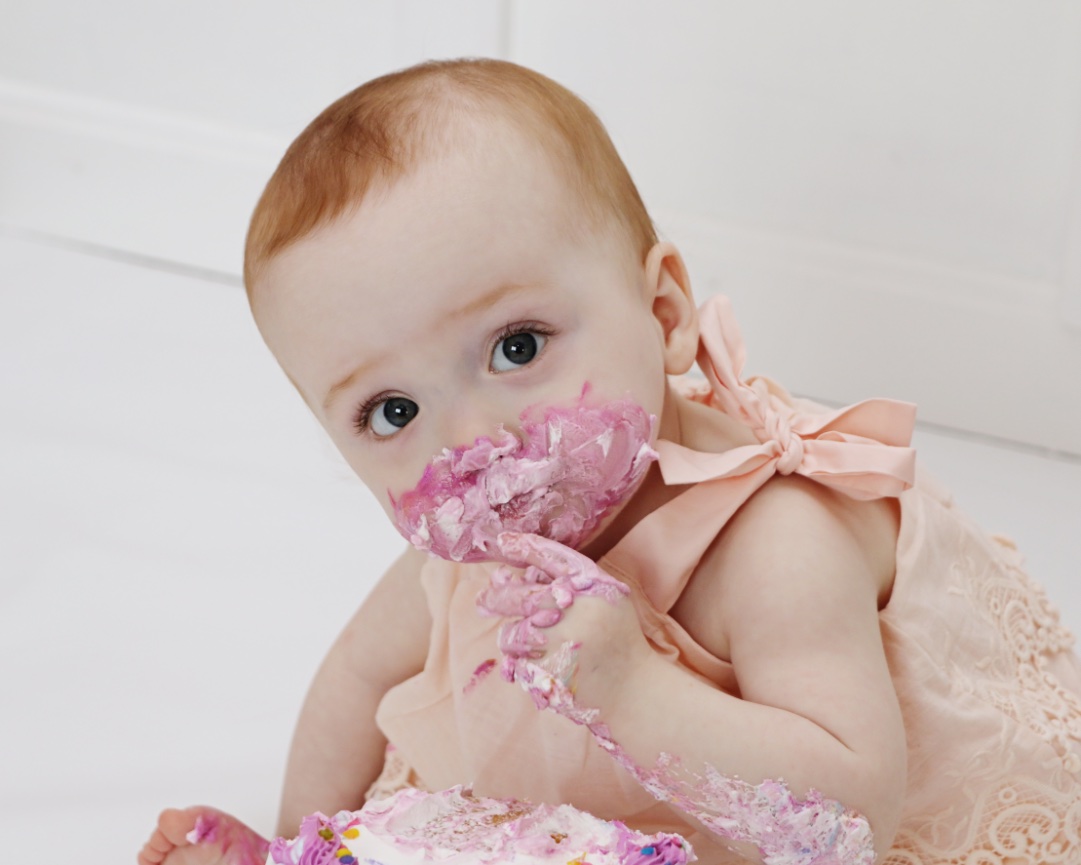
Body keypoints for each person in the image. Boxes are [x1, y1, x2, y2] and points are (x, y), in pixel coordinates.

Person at [138, 58, 1081, 865]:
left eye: (516, 347)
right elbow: (355, 676)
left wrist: (635, 690)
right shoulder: (473, 557)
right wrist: (296, 841)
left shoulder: (773, 545)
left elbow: (854, 815)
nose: (469, 441)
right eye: (393, 411)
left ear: (664, 316)